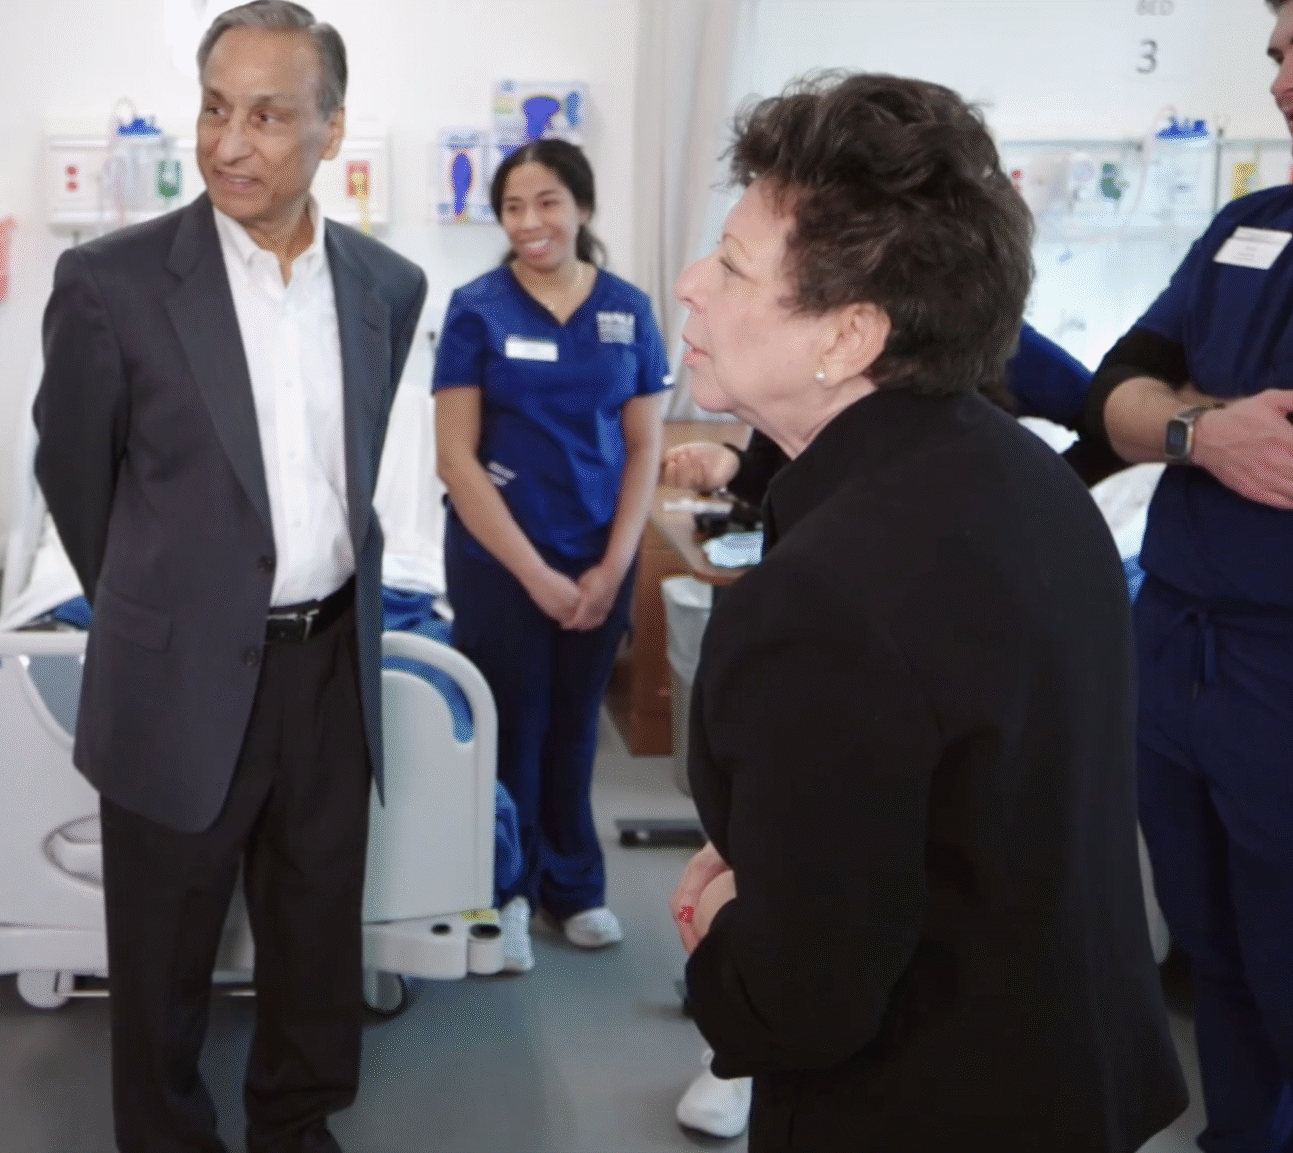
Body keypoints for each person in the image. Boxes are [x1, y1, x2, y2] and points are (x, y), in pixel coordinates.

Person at [665, 71, 1187, 1151]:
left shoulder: (827, 594)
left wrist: (720, 919)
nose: (686, 284)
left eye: (728, 264)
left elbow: (792, 1001)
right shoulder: (1024, 477)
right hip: (1063, 1076)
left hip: (922, 1101)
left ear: (846, 335)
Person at [31, 2, 425, 1149]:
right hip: (180, 672)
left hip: (329, 669)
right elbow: (76, 479)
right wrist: (166, 610)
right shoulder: (109, 285)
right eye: (213, 108)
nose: (229, 142)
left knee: (314, 944)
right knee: (160, 961)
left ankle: (296, 1127)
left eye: (265, 114)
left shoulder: (385, 288)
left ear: (328, 131)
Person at [1079, 1, 1293, 1147]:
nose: (1280, 78)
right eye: (1274, 54)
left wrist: (1170, 419)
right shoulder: (1248, 225)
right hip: (1183, 651)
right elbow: (1113, 394)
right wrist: (1200, 433)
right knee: (1219, 971)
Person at [432, 138, 668, 974]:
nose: (531, 221)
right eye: (514, 206)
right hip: (501, 562)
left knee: (575, 727)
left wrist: (612, 567)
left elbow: (644, 449)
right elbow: (455, 458)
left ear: (583, 207)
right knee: (510, 726)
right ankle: (504, 894)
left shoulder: (630, 312)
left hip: (600, 554)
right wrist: (534, 573)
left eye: (548, 202)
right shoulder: (477, 309)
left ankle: (575, 886)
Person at [665, 321, 1101, 506]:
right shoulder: (822, 339)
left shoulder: (1004, 346)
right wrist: (732, 467)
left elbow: (1107, 426)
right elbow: (776, 479)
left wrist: (1040, 500)